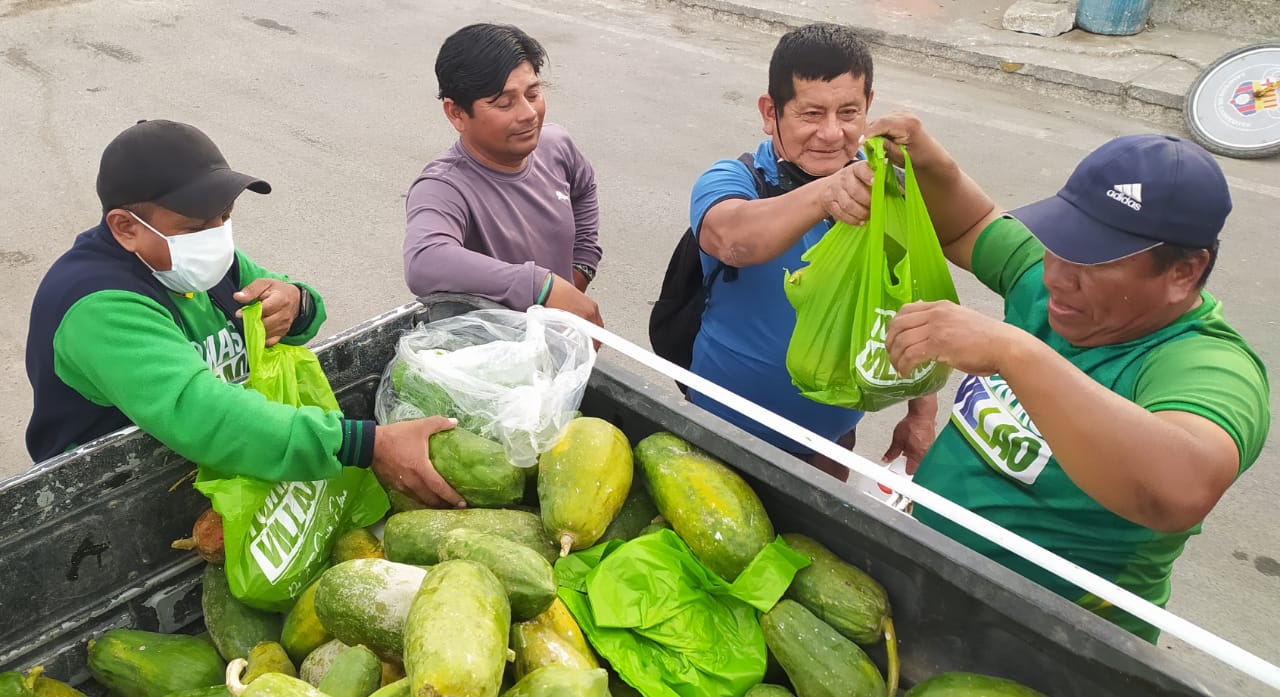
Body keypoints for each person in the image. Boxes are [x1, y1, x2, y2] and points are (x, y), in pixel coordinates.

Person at [867, 114, 1270, 641]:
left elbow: (1178, 490)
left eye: (1095, 261)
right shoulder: (1054, 286)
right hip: (924, 584)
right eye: (1060, 242)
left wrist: (1013, 352)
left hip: (1050, 640)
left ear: (1183, 272)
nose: (1056, 275)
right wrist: (930, 166)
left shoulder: (1206, 365)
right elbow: (971, 225)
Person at [25, 119, 464, 508]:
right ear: (126, 227)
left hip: (214, 463)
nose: (217, 235)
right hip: (112, 501)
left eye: (225, 216)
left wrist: (296, 302)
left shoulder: (196, 260)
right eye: (196, 226)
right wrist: (362, 444)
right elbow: (200, 412)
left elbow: (299, 315)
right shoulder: (99, 305)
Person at [686, 23, 936, 479]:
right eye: (811, 114)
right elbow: (731, 238)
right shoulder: (736, 179)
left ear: (869, 106)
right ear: (770, 112)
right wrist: (826, 194)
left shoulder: (887, 190)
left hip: (830, 446)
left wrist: (922, 412)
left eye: (849, 112)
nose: (832, 133)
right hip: (720, 434)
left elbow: (911, 300)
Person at [403, 23, 603, 327]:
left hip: (557, 338)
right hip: (494, 349)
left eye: (533, 94)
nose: (528, 114)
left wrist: (583, 264)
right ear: (456, 113)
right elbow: (424, 261)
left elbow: (584, 188)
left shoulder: (556, 146)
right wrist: (541, 286)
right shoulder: (443, 187)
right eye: (504, 103)